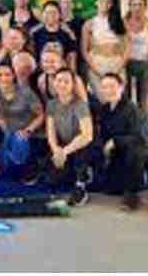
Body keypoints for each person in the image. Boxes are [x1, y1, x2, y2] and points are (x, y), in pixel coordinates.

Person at [0, 63, 45, 183]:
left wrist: (27, 130)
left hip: (29, 130)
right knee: (6, 150)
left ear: (13, 76)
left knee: (19, 141)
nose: (3, 78)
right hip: (8, 130)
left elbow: (41, 115)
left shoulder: (26, 92)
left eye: (7, 75)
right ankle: (12, 172)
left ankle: (20, 172)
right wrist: (6, 132)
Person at [98, 73, 148, 211]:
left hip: (134, 151)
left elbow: (138, 138)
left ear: (121, 87)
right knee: (111, 189)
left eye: (112, 86)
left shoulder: (132, 109)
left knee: (134, 149)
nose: (108, 90)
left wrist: (114, 141)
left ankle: (133, 194)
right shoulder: (104, 109)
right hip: (115, 152)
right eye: (104, 87)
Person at [45, 68, 94, 206]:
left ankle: (81, 186)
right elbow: (51, 131)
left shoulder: (80, 104)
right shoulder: (51, 104)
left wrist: (64, 152)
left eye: (66, 81)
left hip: (81, 145)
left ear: (73, 85)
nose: (62, 84)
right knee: (53, 177)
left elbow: (87, 135)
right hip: (63, 145)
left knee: (81, 159)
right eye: (59, 80)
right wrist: (56, 150)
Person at [81, 0, 129, 99]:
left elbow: (128, 46)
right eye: (102, 0)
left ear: (112, 4)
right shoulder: (89, 24)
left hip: (116, 63)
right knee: (102, 98)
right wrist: (95, 69)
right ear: (96, 2)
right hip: (97, 63)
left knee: (117, 97)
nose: (105, 4)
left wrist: (121, 65)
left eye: (108, 1)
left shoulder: (120, 22)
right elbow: (84, 50)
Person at [124, 0, 148, 112]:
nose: (137, 8)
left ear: (145, 7)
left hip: (144, 64)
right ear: (130, 7)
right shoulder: (122, 23)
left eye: (140, 5)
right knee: (125, 98)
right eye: (134, 5)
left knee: (142, 100)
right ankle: (127, 123)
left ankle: (142, 124)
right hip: (126, 63)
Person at [30, 1, 77, 72]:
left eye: (53, 12)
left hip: (61, 72)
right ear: (42, 14)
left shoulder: (68, 34)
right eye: (47, 12)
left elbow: (72, 59)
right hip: (41, 71)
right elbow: (32, 57)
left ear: (60, 15)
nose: (50, 15)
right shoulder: (35, 33)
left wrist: (72, 74)